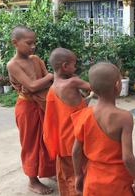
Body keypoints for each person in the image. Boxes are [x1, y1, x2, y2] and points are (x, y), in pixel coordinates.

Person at [71, 62, 135, 196]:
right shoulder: (124, 117)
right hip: (118, 181)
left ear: (92, 88)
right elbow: (127, 158)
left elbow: (76, 152)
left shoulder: (83, 115)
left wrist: (78, 175)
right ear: (117, 85)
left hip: (93, 179)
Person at [7, 26, 55, 195]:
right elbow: (33, 86)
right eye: (29, 43)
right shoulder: (12, 65)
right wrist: (50, 76)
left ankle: (49, 170)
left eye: (34, 42)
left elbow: (43, 84)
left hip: (44, 103)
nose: (33, 46)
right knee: (30, 144)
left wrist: (46, 80)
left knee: (47, 139)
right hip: (27, 108)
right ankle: (32, 180)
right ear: (15, 43)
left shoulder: (35, 59)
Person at [43, 48, 92, 196]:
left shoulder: (52, 88)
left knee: (67, 174)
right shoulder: (73, 82)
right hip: (75, 139)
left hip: (62, 139)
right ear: (65, 66)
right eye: (74, 64)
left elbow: (68, 109)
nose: (75, 68)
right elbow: (97, 86)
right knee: (80, 174)